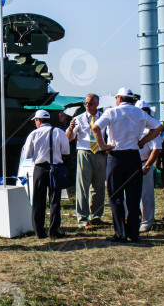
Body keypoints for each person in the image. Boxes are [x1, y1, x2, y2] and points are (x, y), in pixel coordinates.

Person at [92, 88, 163, 243]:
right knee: (133, 196)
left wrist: (103, 145)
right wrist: (143, 141)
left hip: (116, 156)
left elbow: (96, 127)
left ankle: (120, 233)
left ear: (119, 98)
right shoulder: (140, 113)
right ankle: (133, 232)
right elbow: (158, 127)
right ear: (130, 99)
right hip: (133, 156)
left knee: (115, 196)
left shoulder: (112, 112)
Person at [23, 109, 70, 239]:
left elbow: (27, 154)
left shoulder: (33, 134)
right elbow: (66, 151)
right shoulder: (59, 132)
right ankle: (54, 231)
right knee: (55, 201)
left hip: (39, 169)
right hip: (55, 168)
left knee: (38, 201)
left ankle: (39, 231)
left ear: (38, 121)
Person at [66, 94, 106, 229]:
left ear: (97, 104)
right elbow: (68, 139)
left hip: (100, 153)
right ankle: (82, 218)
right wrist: (71, 128)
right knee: (83, 186)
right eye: (86, 104)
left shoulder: (105, 117)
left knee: (99, 186)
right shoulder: (78, 119)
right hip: (85, 153)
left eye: (90, 103)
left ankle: (96, 216)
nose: (87, 106)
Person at [136, 100, 163, 232]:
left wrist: (147, 166)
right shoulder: (132, 125)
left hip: (144, 163)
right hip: (130, 163)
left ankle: (146, 221)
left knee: (145, 195)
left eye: (145, 110)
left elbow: (156, 150)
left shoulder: (152, 128)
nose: (142, 113)